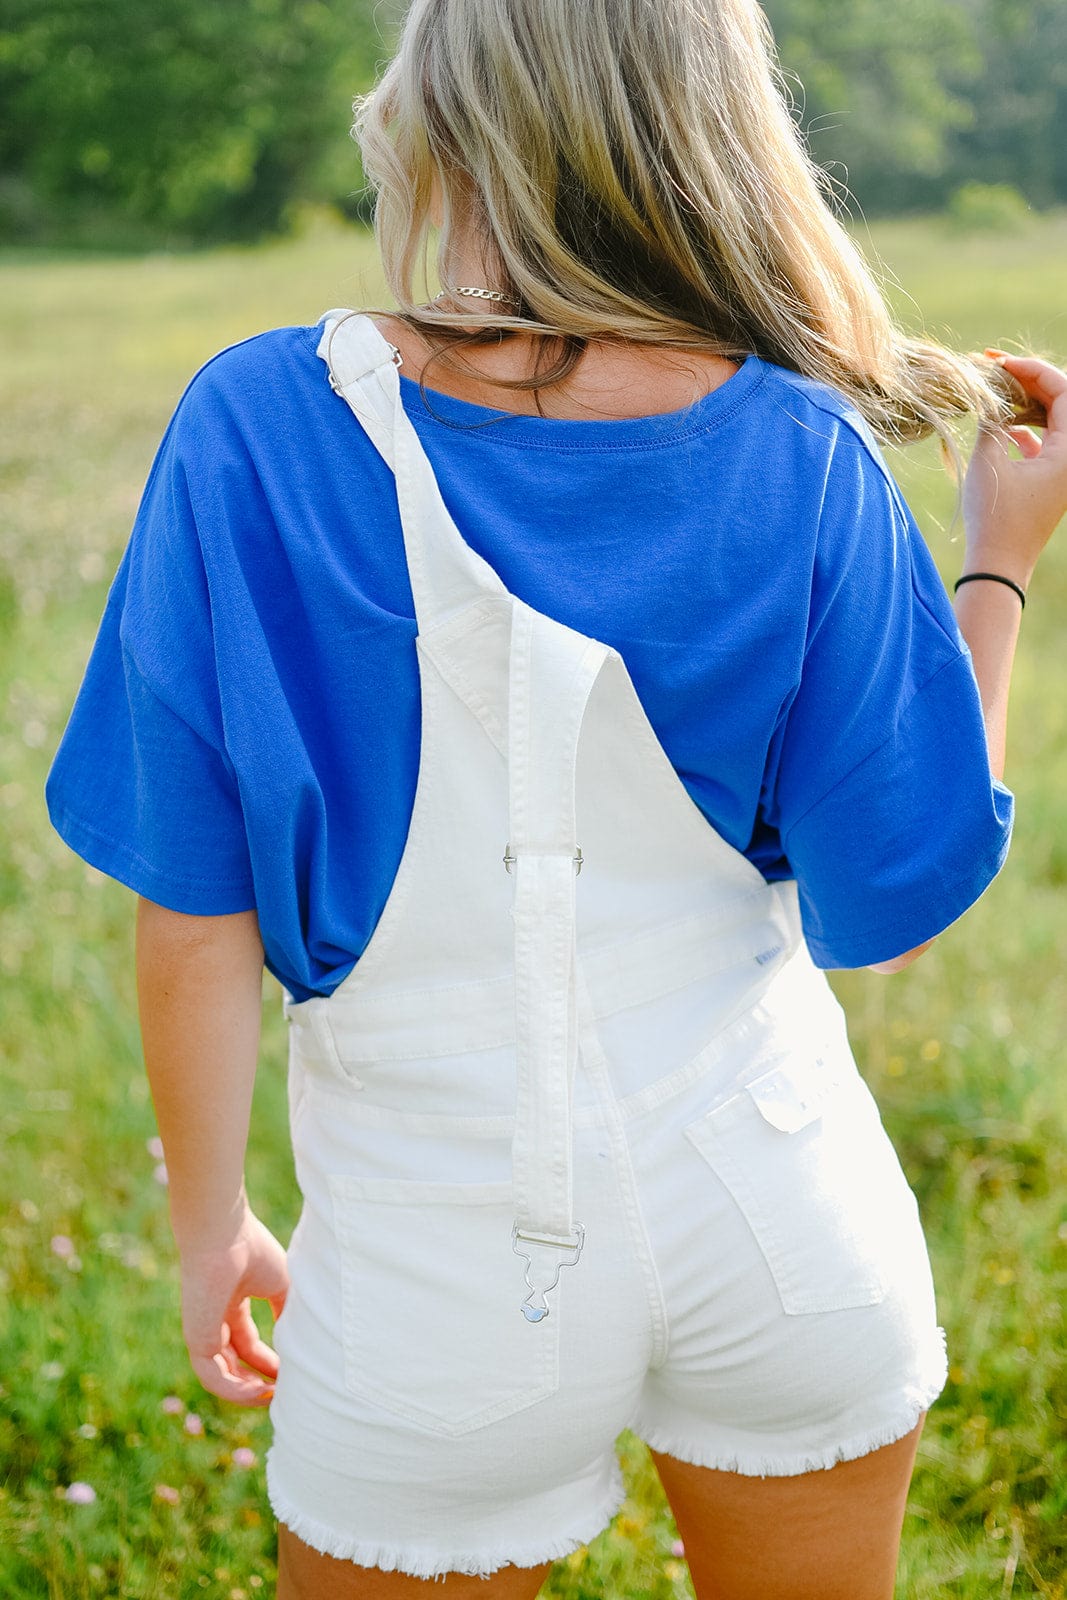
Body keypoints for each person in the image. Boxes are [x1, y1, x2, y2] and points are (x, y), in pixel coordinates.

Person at [45, 1, 1067, 1596]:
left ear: (448, 115)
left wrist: (210, 1224)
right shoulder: (802, 445)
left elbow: (193, 917)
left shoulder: (257, 425)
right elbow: (901, 898)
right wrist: (997, 559)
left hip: (434, 1275)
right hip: (787, 1220)